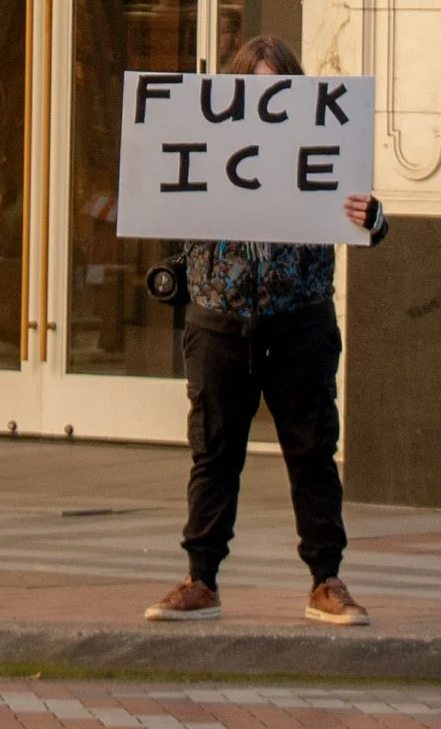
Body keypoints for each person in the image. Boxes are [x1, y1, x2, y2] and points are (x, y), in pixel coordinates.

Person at [143, 33, 385, 628]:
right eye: (252, 87)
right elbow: (168, 196)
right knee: (213, 454)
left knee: (312, 455)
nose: (263, 99)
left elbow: (364, 221)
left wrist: (372, 219)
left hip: (299, 324)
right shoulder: (207, 148)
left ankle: (325, 580)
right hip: (218, 323)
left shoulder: (321, 150)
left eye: (277, 88)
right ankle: (201, 580)